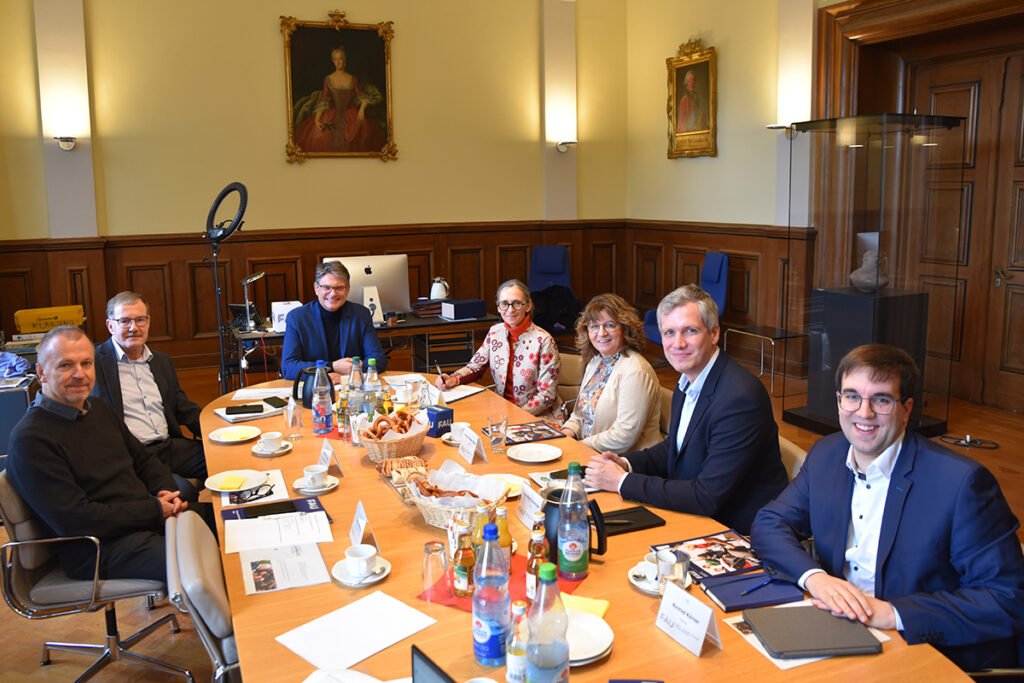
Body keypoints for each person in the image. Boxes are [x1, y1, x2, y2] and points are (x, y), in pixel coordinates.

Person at [751, 344, 1024, 672]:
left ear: (906, 408)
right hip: (840, 629)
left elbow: (1007, 599)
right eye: (852, 396)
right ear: (839, 400)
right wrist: (816, 579)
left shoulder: (962, 483)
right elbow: (770, 521)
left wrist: (893, 613)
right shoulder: (827, 454)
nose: (863, 413)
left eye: (881, 399)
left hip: (926, 650)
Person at [583, 284, 787, 535]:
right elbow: (675, 449)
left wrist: (622, 482)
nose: (677, 344)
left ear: (713, 334)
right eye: (669, 332)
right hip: (696, 514)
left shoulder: (740, 397)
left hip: (739, 532)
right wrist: (626, 463)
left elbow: (706, 496)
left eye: (690, 331)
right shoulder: (688, 379)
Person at [6, 326, 190, 581]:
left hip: (140, 525)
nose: (79, 374)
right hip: (96, 547)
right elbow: (76, 519)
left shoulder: (99, 409)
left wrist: (165, 491)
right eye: (65, 366)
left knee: (229, 523)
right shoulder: (31, 438)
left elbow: (143, 458)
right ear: (41, 373)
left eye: (86, 363)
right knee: (201, 562)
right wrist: (155, 511)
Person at [92, 291, 206, 503]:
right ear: (110, 326)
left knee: (227, 460)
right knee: (183, 493)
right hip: (132, 457)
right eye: (124, 321)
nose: (134, 327)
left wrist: (219, 434)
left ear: (148, 321)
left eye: (139, 320)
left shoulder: (161, 361)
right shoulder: (93, 363)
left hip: (170, 447)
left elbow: (184, 409)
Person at [435, 279, 561, 421]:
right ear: (498, 307)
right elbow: (475, 367)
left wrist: (515, 415)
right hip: (501, 410)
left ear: (528, 306)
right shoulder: (495, 332)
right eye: (504, 304)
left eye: (517, 303)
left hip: (538, 415)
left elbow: (546, 395)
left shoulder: (544, 340)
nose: (510, 310)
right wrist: (453, 379)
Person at [560, 293, 661, 453]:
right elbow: (580, 415)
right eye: (594, 326)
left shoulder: (636, 371)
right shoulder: (596, 361)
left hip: (625, 463)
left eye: (610, 325)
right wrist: (564, 436)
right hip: (590, 453)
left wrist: (577, 448)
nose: (601, 333)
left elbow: (624, 436)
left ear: (625, 328)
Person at [281, 260, 388, 382]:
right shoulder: (297, 318)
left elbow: (378, 360)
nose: (333, 294)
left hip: (352, 387)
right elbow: (288, 368)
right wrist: (331, 367)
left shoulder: (361, 315)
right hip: (315, 390)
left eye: (339, 288)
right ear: (316, 288)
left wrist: (352, 370)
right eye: (326, 287)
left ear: (347, 290)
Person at [293, 46, 387, 154]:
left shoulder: (353, 78)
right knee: (319, 135)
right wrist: (317, 119)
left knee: (360, 133)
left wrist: (361, 109)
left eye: (340, 59)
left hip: (350, 113)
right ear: (333, 61)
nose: (338, 62)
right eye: (335, 59)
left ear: (344, 60)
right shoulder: (328, 79)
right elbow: (324, 100)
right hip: (332, 113)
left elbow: (363, 96)